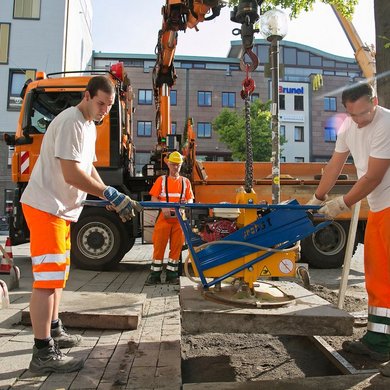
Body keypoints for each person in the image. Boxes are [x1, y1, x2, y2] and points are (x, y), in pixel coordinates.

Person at [21, 75, 142, 374]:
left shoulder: (88, 126)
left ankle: (54, 329)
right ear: (87, 96)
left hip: (60, 211)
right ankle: (42, 352)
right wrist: (107, 192)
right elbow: (71, 175)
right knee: (46, 282)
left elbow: (88, 168)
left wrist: (112, 195)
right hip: (46, 207)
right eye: (101, 103)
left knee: (58, 276)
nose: (104, 111)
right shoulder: (71, 122)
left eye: (109, 107)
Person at [308, 82, 390, 364]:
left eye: (364, 113)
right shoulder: (349, 127)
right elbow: (335, 164)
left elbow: (374, 176)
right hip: (381, 208)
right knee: (377, 275)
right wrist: (317, 199)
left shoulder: (386, 123)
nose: (359, 120)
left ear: (375, 101)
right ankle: (379, 340)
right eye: (352, 115)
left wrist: (343, 203)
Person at [146, 151, 194, 285]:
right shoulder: (161, 180)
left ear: (181, 165)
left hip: (179, 219)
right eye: (173, 165)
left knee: (176, 247)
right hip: (164, 218)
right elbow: (153, 198)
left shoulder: (186, 182)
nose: (176, 167)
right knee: (159, 246)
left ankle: (172, 275)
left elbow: (190, 199)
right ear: (169, 165)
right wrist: (163, 208)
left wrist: (185, 207)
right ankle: (155, 275)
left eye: (178, 165)